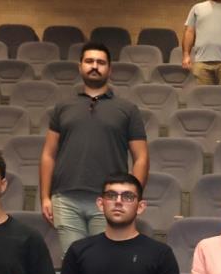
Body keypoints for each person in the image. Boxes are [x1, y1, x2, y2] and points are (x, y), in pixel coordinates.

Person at [39, 44, 150, 249]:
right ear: (80, 66)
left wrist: (132, 197)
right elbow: (48, 154)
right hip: (65, 198)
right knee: (72, 260)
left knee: (105, 260)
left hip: (110, 199)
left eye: (101, 62)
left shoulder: (128, 109)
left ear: (110, 69)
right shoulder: (63, 107)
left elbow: (141, 158)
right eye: (89, 61)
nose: (95, 66)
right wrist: (45, 196)